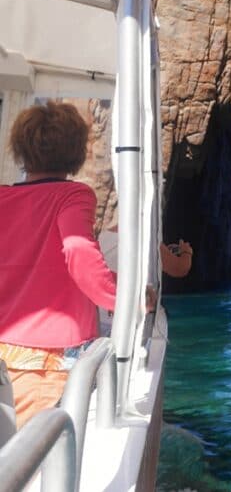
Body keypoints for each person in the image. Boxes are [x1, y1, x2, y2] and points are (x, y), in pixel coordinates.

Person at [0, 101, 116, 427]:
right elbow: (79, 253)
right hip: (46, 362)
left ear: (22, 148)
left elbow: (35, 263)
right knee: (34, 466)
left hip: (4, 352)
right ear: (76, 152)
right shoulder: (72, 195)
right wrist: (121, 299)